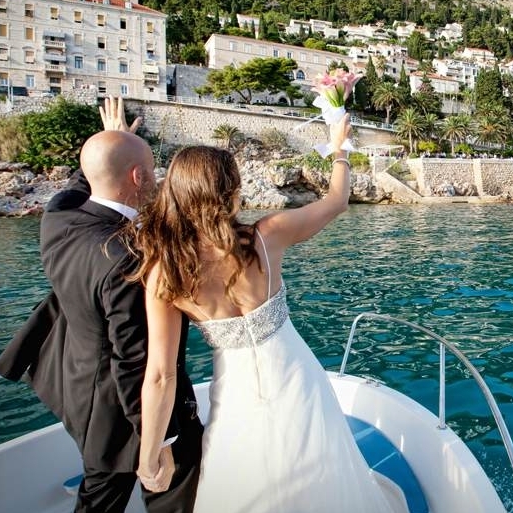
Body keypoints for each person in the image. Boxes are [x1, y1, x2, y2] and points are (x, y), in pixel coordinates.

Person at [130, 116, 408, 512]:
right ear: (231, 192)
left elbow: (160, 375)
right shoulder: (266, 236)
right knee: (319, 465)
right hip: (296, 374)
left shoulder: (166, 271)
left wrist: (150, 453)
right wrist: (339, 149)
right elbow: (336, 201)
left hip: (237, 387)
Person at [0, 97, 202, 513]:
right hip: (118, 411)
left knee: (99, 494)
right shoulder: (128, 259)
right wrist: (157, 441)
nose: (157, 178)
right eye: (152, 170)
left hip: (75, 386)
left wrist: (114, 138)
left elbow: (84, 179)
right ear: (138, 176)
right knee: (169, 480)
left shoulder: (58, 217)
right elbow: (134, 361)